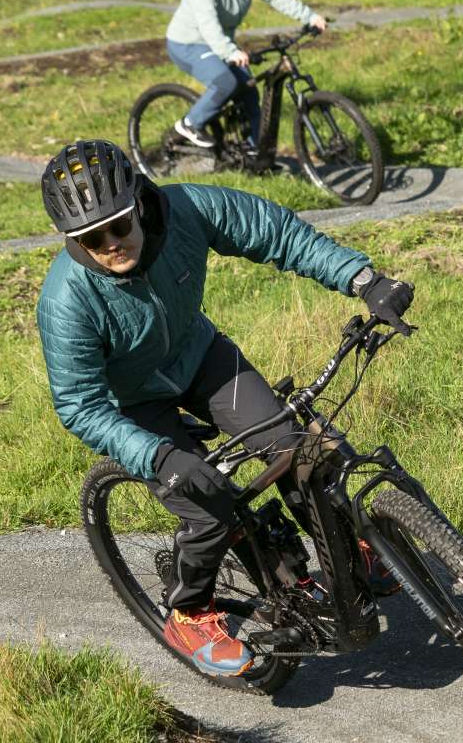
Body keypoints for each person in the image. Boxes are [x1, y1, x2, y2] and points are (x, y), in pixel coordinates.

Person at [36, 140, 414, 677]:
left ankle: (346, 553)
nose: (109, 244)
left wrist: (363, 280)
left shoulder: (186, 209)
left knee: (303, 450)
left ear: (139, 204)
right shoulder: (67, 299)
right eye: (89, 238)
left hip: (199, 356)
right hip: (136, 404)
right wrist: (157, 455)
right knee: (207, 504)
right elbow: (80, 404)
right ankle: (188, 614)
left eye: (118, 226)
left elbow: (275, 232)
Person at [165, 0, 327, 153]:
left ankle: (255, 152)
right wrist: (230, 52)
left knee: (249, 91)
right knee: (226, 82)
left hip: (220, 42)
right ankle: (190, 124)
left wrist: (309, 17)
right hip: (189, 44)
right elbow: (207, 24)